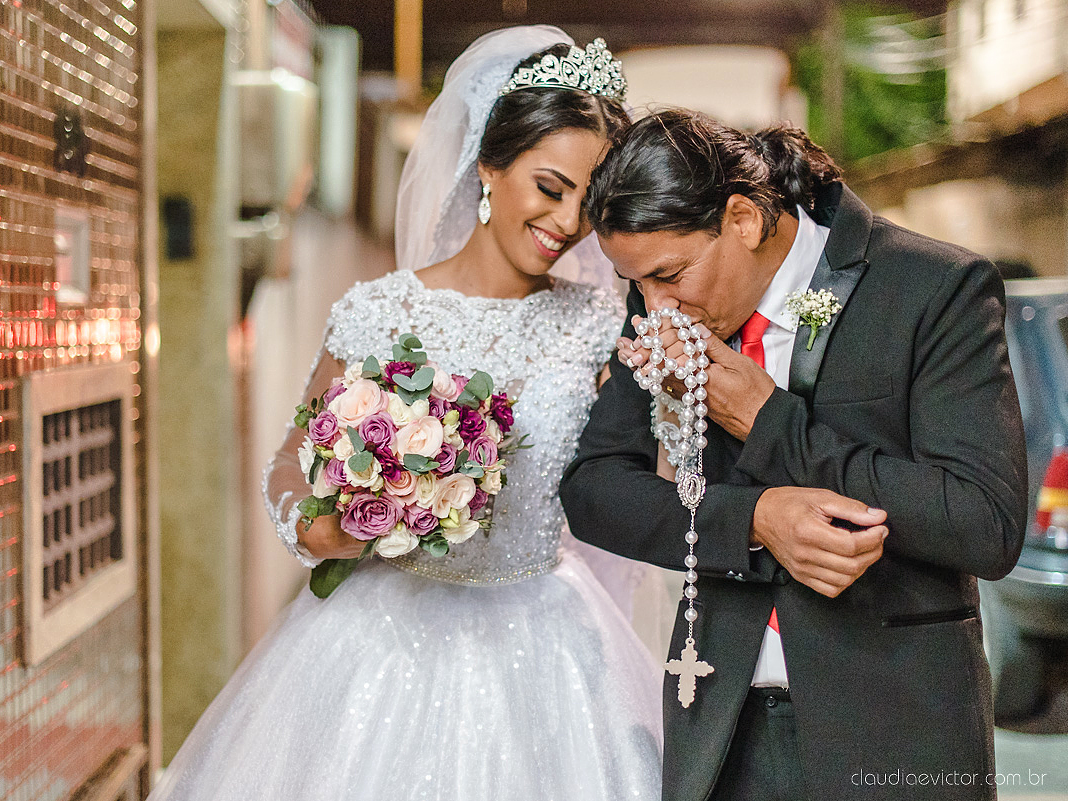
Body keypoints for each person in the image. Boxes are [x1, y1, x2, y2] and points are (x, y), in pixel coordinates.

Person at [148, 27, 663, 801]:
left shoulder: (600, 323)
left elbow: (630, 468)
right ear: (490, 164)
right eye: (549, 187)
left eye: (588, 203)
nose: (567, 223)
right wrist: (325, 526)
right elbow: (291, 460)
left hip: (544, 637)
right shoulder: (378, 312)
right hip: (381, 636)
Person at [561, 108, 1028, 801]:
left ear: (744, 219)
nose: (656, 307)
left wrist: (768, 422)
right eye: (638, 285)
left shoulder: (933, 288)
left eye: (670, 275)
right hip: (721, 727)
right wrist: (753, 519)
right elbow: (595, 490)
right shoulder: (662, 306)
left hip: (894, 727)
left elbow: (984, 522)